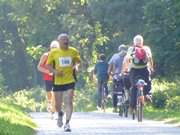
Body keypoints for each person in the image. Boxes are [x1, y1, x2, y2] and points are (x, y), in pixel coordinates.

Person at [46, 33, 80, 132]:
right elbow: (48, 66)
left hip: (70, 80)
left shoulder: (73, 51)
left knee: (69, 101)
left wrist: (76, 67)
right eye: (64, 40)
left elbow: (78, 61)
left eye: (67, 39)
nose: (66, 41)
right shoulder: (54, 52)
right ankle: (60, 113)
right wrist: (55, 72)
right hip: (58, 81)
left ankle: (67, 123)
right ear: (59, 41)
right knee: (57, 105)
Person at [122, 34, 154, 111]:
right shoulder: (146, 48)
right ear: (142, 42)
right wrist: (151, 67)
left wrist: (125, 69)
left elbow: (127, 58)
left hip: (134, 71)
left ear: (134, 42)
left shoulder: (131, 49)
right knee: (148, 83)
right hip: (144, 70)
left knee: (134, 87)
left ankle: (132, 107)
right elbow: (150, 58)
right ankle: (148, 95)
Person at [37, 40, 59, 118]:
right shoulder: (45, 55)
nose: (54, 49)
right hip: (48, 78)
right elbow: (39, 67)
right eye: (53, 47)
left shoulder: (59, 56)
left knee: (55, 93)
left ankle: (54, 111)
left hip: (57, 78)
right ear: (50, 48)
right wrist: (47, 71)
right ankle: (50, 105)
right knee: (49, 94)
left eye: (56, 47)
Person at [108, 44, 128, 112]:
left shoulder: (115, 56)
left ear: (119, 50)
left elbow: (110, 66)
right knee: (128, 88)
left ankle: (114, 107)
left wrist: (109, 73)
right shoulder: (128, 56)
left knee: (115, 91)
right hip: (126, 75)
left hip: (116, 76)